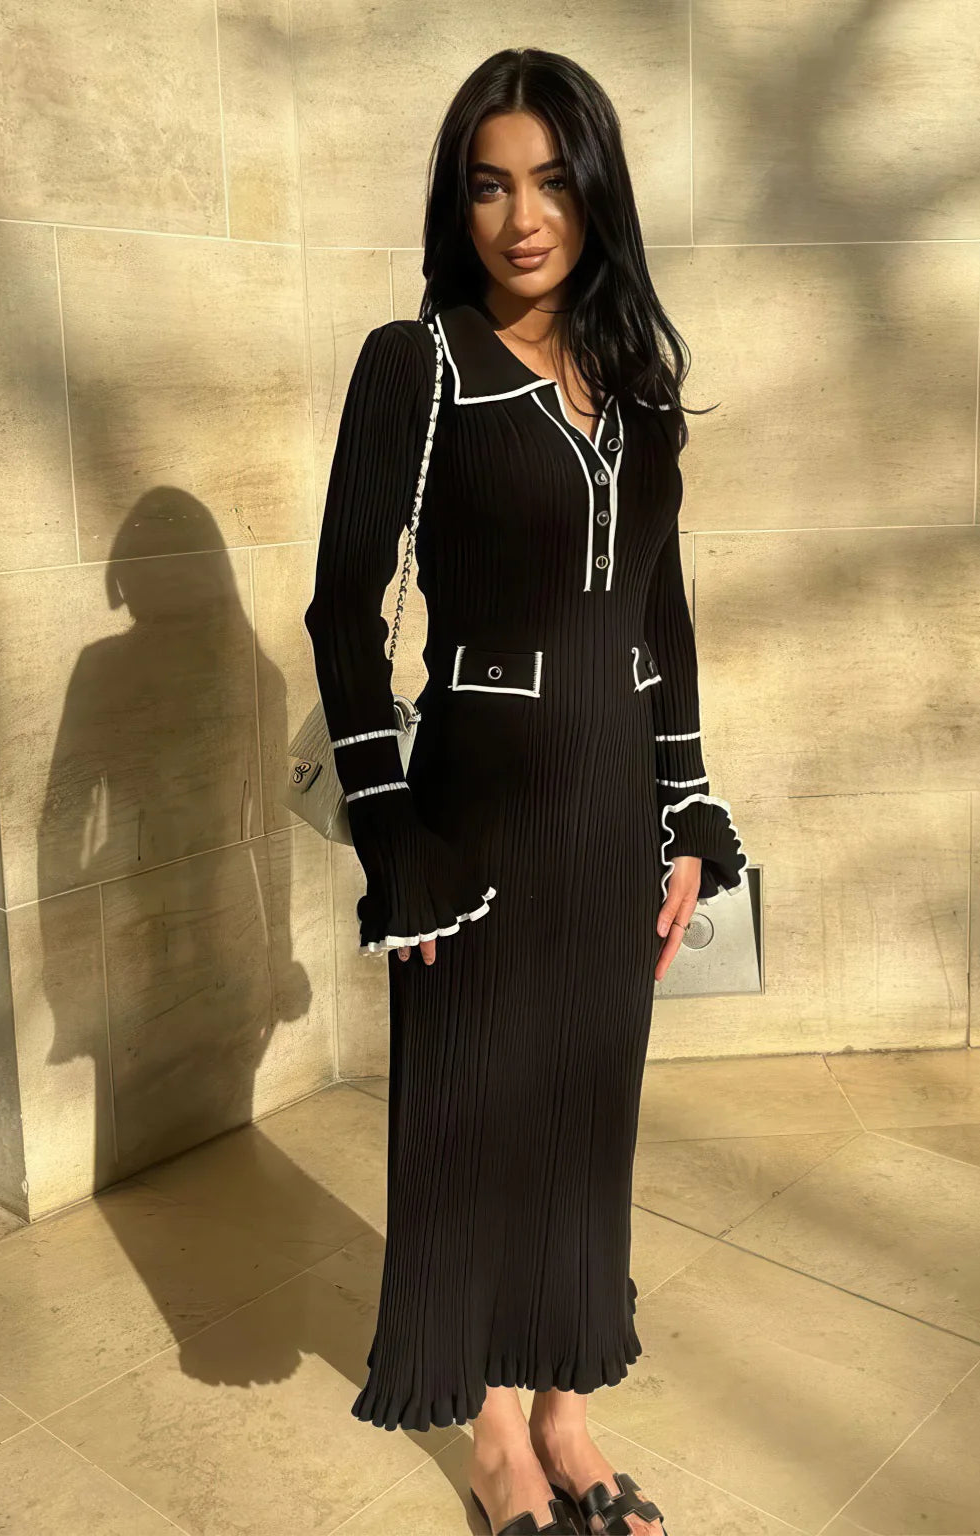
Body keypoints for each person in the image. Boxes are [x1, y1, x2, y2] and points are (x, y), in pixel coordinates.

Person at [304, 46, 747, 1536]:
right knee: (473, 1114)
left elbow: (660, 612)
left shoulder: (640, 388)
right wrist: (393, 836)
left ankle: (569, 1406)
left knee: (585, 1110)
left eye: (552, 178)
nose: (522, 215)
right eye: (489, 184)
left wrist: (689, 810)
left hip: (612, 800)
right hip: (478, 809)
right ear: (458, 201)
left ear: (596, 190)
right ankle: (492, 1432)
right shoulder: (416, 366)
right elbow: (342, 613)